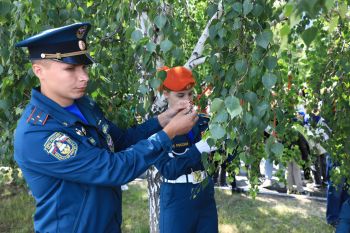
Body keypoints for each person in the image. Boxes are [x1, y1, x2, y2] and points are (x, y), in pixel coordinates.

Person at [14, 22, 198, 233]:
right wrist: (170, 133)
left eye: (83, 67)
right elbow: (113, 169)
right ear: (39, 71)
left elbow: (121, 142)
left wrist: (163, 120)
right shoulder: (38, 133)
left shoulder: (84, 105)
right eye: (70, 69)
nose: (84, 77)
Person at [154, 66, 218, 233]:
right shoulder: (159, 128)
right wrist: (198, 149)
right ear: (166, 94)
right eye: (181, 95)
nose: (188, 100)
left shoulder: (203, 122)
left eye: (190, 94)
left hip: (204, 193)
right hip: (177, 197)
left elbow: (220, 160)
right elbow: (168, 169)